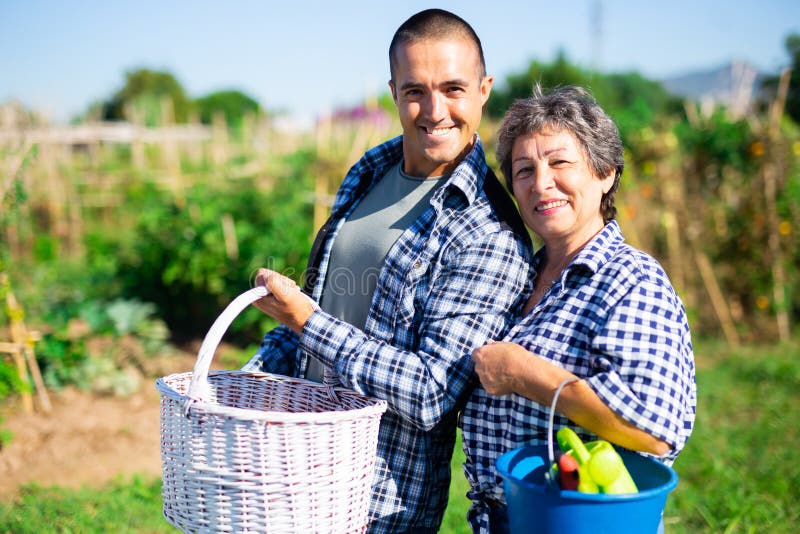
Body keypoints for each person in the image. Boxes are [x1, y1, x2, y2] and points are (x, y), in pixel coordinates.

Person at [242, 9, 533, 533]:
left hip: (373, 502)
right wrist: (253, 375)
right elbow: (332, 306)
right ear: (393, 91)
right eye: (415, 90)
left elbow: (431, 393)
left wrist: (306, 320)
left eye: (453, 89)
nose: (435, 110)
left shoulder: (488, 232)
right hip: (291, 472)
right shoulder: (370, 170)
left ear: (484, 89)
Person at [458, 85, 697, 533]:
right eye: (524, 170)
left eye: (560, 162)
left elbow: (651, 428)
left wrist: (525, 374)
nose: (541, 182)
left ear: (605, 172)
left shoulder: (630, 279)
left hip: (584, 520)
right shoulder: (520, 278)